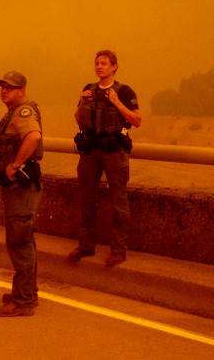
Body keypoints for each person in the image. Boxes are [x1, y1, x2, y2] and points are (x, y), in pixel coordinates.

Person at [69, 50, 142, 267]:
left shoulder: (125, 91)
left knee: (119, 200)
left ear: (114, 67)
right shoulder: (88, 90)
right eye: (97, 63)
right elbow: (77, 119)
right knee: (87, 198)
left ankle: (118, 250)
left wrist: (118, 103)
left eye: (104, 63)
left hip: (113, 151)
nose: (99, 67)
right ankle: (85, 245)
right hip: (90, 150)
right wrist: (81, 102)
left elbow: (137, 120)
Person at [0, 71, 43, 317]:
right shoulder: (13, 112)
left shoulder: (22, 112)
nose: (4, 90)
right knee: (25, 240)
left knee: (19, 241)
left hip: (21, 186)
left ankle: (23, 302)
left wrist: (14, 165)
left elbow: (33, 136)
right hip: (19, 187)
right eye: (2, 86)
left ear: (22, 90)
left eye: (10, 87)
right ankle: (28, 291)